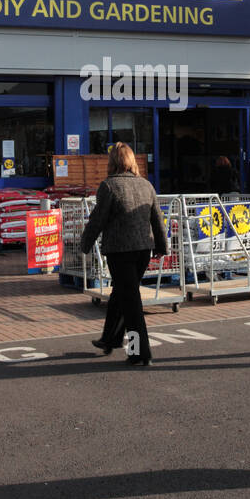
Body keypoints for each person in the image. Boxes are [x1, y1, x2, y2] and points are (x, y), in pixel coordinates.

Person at [81, 143, 169, 367]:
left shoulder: (109, 186)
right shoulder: (146, 185)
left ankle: (139, 352)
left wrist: (85, 243)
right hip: (143, 249)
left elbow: (98, 219)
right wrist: (162, 246)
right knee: (123, 293)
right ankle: (109, 339)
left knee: (130, 301)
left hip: (120, 251)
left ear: (112, 162)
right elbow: (157, 219)